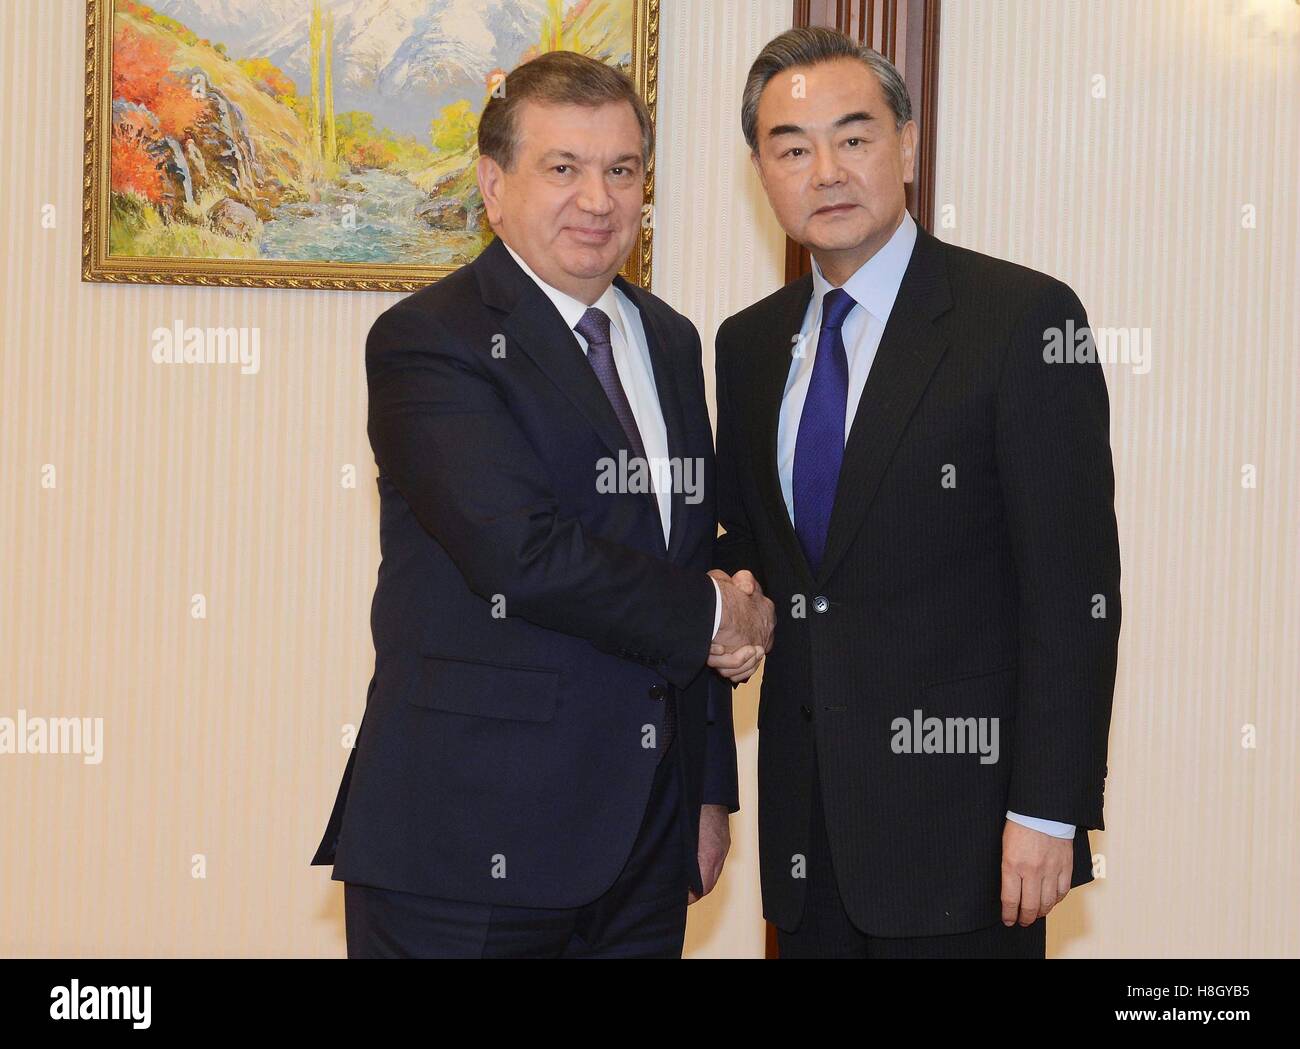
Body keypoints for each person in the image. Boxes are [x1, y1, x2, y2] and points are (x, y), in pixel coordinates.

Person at [312, 51, 773, 958]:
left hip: (644, 843)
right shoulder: (428, 341)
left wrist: (706, 789)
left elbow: (683, 558)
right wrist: (720, 611)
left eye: (622, 168)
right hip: (465, 844)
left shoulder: (671, 340)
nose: (597, 199)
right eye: (562, 168)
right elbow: (520, 554)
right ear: (493, 184)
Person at [712, 27, 1121, 958]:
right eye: (791, 147)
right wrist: (732, 602)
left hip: (971, 838)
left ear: (906, 144)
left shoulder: (1020, 319)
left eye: (853, 137)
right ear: (761, 172)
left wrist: (1049, 811)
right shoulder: (746, 344)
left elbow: (1074, 590)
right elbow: (751, 544)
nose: (825, 170)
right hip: (809, 837)